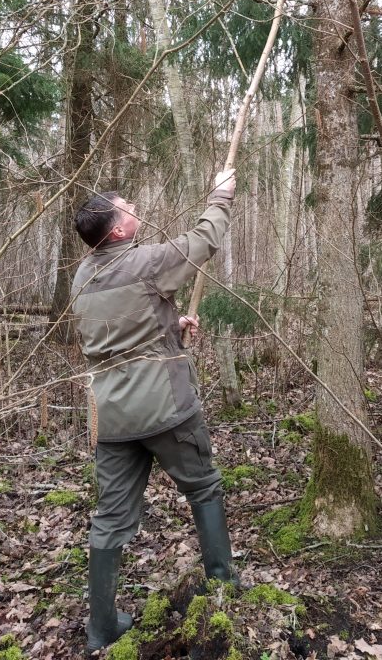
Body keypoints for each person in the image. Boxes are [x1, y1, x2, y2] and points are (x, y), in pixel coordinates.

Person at [70, 171, 238, 655]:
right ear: (117, 230)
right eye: (127, 206)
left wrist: (167, 322)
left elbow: (115, 335)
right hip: (165, 407)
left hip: (111, 417)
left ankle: (101, 627)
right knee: (203, 487)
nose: (134, 207)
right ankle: (223, 589)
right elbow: (203, 240)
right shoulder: (145, 262)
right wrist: (221, 194)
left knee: (110, 518)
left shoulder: (82, 278)